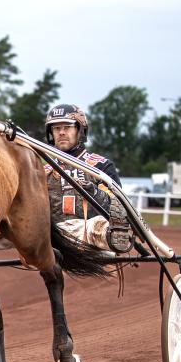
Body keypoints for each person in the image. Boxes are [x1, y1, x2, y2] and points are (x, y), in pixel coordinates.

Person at [42, 104, 133, 253]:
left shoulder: (100, 165)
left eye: (67, 127)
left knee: (100, 225)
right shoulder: (43, 172)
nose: (62, 133)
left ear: (80, 130)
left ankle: (115, 238)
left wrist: (94, 192)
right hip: (53, 235)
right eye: (57, 128)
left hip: (90, 231)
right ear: (51, 132)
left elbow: (118, 205)